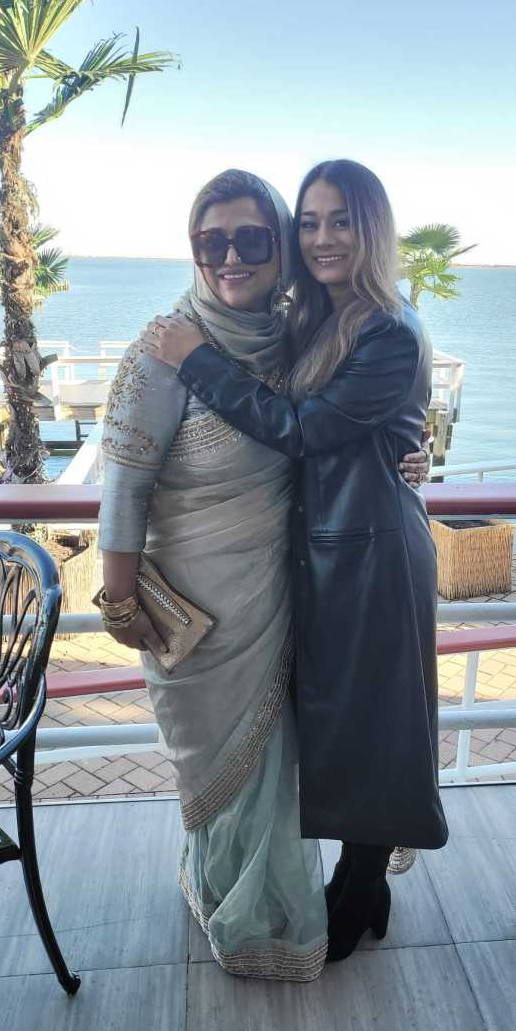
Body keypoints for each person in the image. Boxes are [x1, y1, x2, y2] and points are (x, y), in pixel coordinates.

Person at [97, 169, 429, 980]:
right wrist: (118, 597)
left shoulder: (364, 327)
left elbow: (301, 427)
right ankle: (272, 891)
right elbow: (124, 485)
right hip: (252, 587)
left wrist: (407, 455)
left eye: (254, 237)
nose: (232, 256)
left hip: (360, 560)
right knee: (319, 734)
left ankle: (354, 886)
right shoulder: (276, 327)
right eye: (211, 241)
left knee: (365, 726)